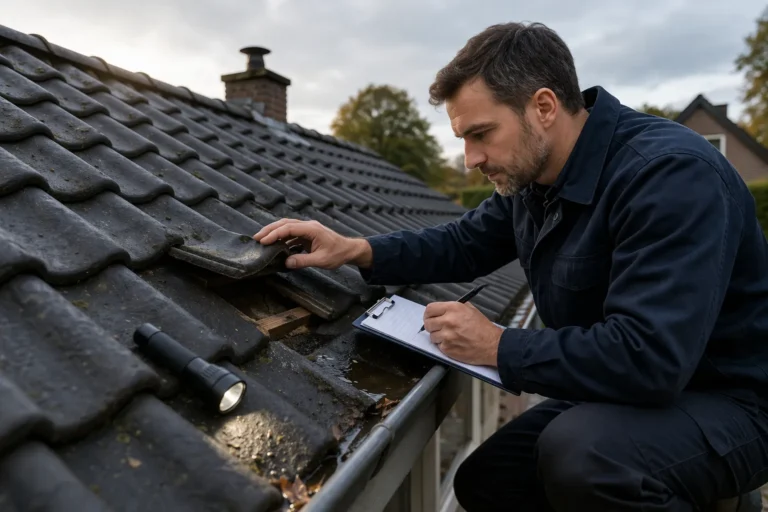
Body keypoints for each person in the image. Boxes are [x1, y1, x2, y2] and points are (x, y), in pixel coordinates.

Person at [253, 21, 768, 512]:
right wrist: (355, 248)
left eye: (480, 134)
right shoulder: (534, 178)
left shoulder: (670, 177)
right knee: (489, 480)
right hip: (627, 390)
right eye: (462, 138)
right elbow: (463, 242)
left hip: (731, 402)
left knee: (585, 457)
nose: (469, 159)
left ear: (543, 106)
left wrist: (499, 345)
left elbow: (651, 359)